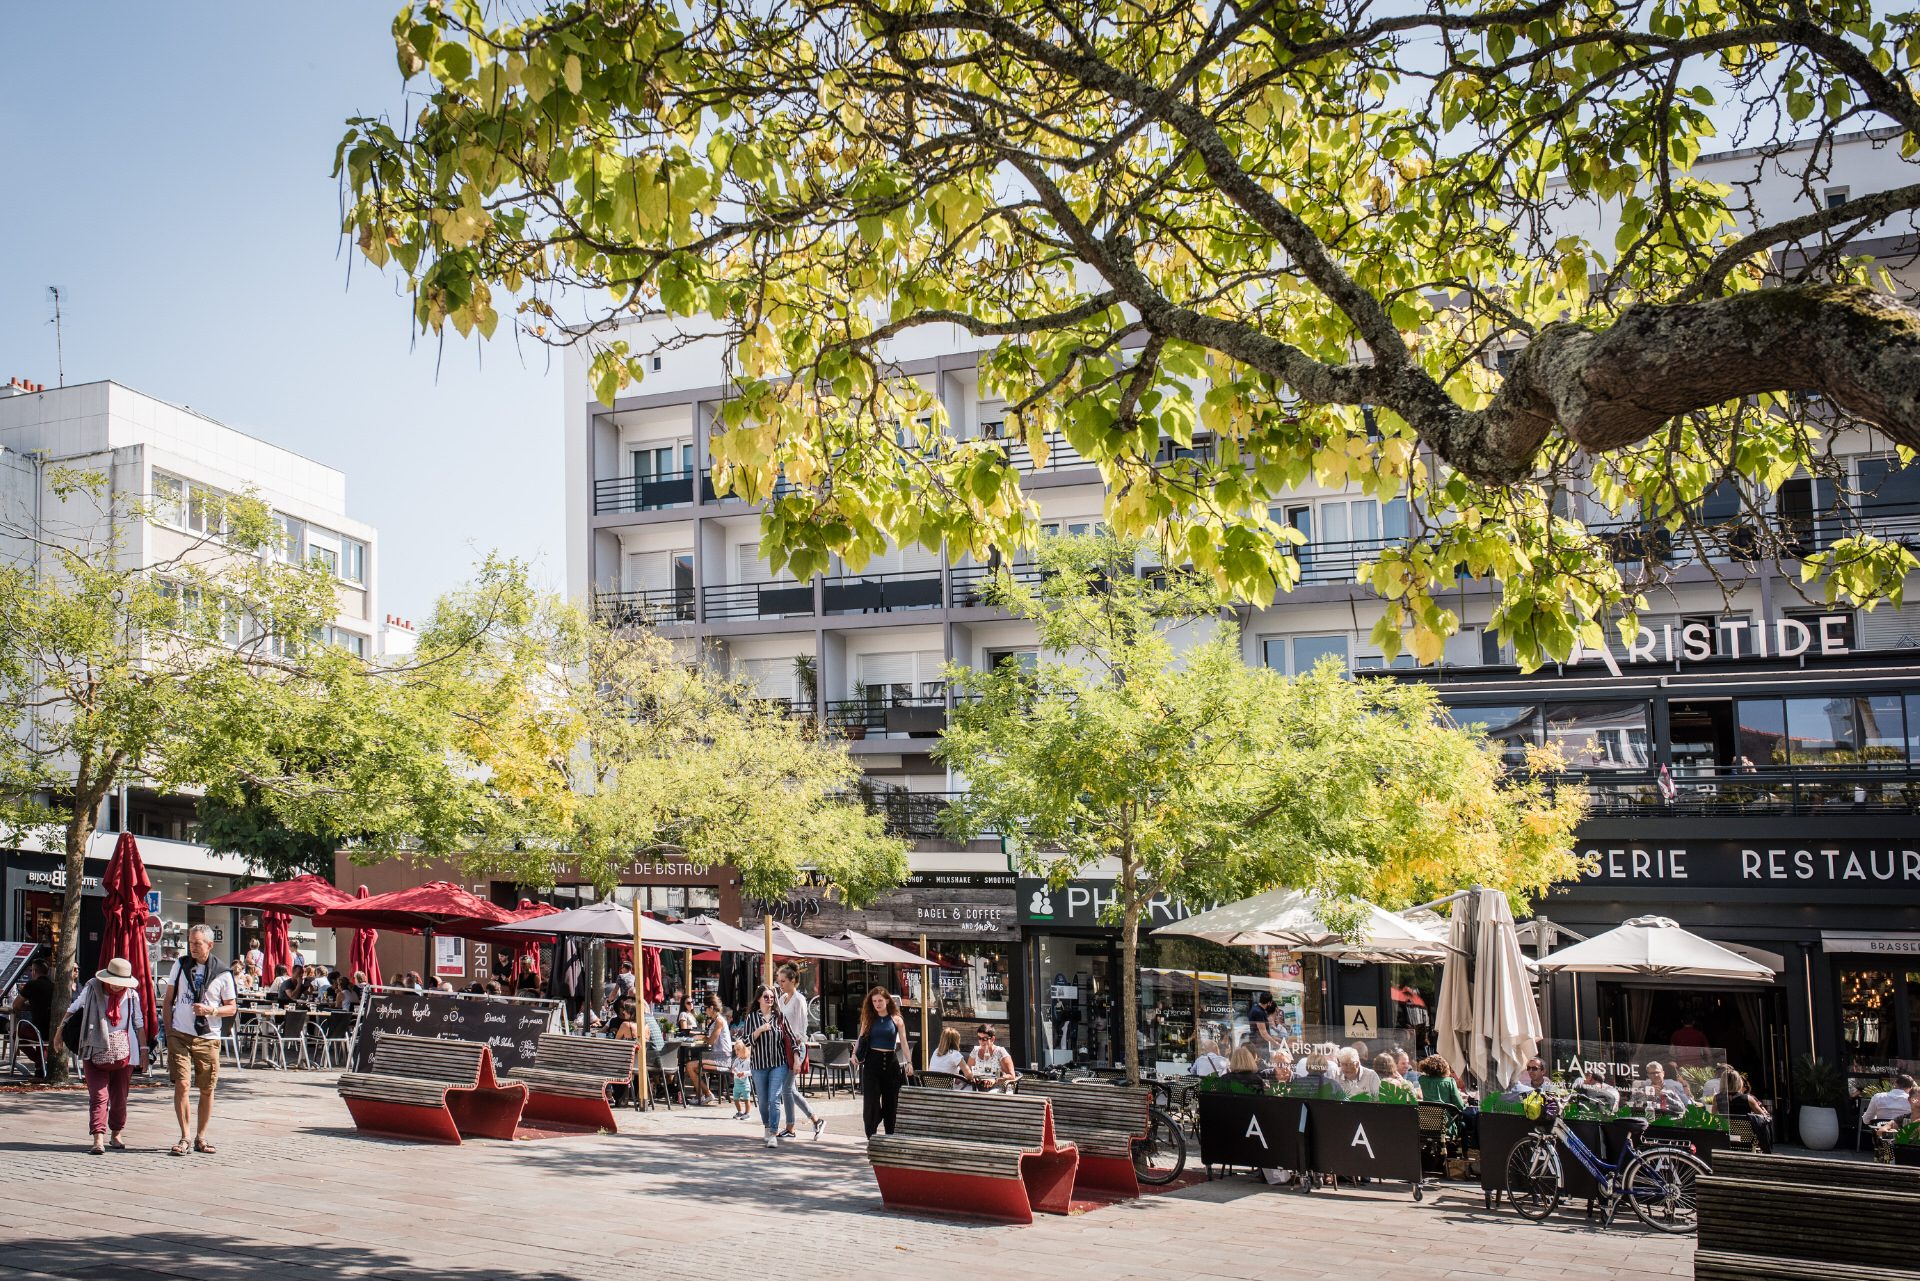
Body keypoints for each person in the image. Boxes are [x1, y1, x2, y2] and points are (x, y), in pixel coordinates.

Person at [53, 957, 146, 1155]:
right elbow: (72, 1009)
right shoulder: (92, 990)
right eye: (113, 981)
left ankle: (117, 1132)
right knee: (98, 1096)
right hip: (93, 1047)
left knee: (120, 1097)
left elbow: (138, 1024)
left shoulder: (131, 996)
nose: (115, 986)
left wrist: (144, 1051)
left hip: (124, 1053)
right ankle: (98, 1137)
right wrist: (58, 1033)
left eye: (120, 983)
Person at [159, 924, 237, 1157]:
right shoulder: (180, 965)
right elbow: (168, 1000)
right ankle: (184, 1136)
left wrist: (211, 1011)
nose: (192, 947)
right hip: (180, 1034)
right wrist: (169, 1029)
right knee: (182, 1084)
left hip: (207, 1037)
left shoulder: (223, 973)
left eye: (197, 943)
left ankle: (200, 1137)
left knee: (206, 1088)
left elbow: (231, 1008)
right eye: (190, 942)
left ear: (210, 945)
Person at [773, 963, 825, 1141]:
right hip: (784, 1046)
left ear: (793, 980)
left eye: (783, 981)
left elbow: (802, 1028)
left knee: (787, 1089)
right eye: (779, 981)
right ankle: (815, 1120)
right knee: (789, 1089)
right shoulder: (782, 998)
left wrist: (797, 1054)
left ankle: (791, 1127)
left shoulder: (799, 999)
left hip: (796, 1046)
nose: (780, 984)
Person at [737, 986, 791, 1148]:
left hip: (778, 1064)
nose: (769, 999)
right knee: (762, 1102)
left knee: (774, 1099)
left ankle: (773, 1133)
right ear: (759, 999)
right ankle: (767, 1126)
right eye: (766, 997)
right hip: (759, 1065)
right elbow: (745, 1041)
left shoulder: (780, 1017)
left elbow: (789, 1038)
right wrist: (759, 1031)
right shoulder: (752, 1018)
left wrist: (795, 1057)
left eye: (772, 997)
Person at [856, 986, 909, 1137]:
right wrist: (854, 1055)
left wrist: (909, 1062)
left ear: (887, 1000)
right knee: (871, 1102)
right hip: (872, 1063)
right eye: (874, 1001)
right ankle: (871, 1135)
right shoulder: (869, 1019)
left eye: (880, 1000)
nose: (877, 1004)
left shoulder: (896, 1019)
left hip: (891, 1063)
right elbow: (860, 1039)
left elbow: (904, 1043)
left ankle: (889, 1135)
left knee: (891, 1102)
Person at [683, 993, 731, 1105]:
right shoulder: (717, 1020)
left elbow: (711, 1041)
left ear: (711, 1008)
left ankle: (706, 1094)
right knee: (693, 1066)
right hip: (718, 1056)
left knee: (690, 1066)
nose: (704, 1010)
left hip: (722, 1059)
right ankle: (702, 1095)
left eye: (705, 1008)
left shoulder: (719, 1021)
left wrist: (701, 1037)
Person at [11, 959, 54, 1073]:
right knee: (41, 1042)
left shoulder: (32, 984)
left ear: (34, 971)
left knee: (17, 1035)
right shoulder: (53, 985)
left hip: (38, 1029)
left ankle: (39, 1062)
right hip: (53, 1029)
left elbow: (16, 1005)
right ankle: (41, 1066)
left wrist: (26, 1003)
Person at [1719, 1069, 1774, 1154]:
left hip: (1725, 1138)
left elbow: (1714, 1116)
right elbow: (1763, 1117)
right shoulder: (1748, 1098)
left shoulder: (1717, 1098)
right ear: (1738, 1082)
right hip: (1746, 1140)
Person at [963, 1025, 1018, 1093]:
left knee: (989, 1095)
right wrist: (975, 1078)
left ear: (992, 1039)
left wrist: (994, 1079)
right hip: (978, 1086)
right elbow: (968, 1072)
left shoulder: (1000, 1052)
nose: (981, 1041)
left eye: (985, 1039)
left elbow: (1011, 1076)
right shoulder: (975, 1050)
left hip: (999, 1087)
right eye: (979, 1038)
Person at [729, 1037, 754, 1120]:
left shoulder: (748, 1061)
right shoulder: (737, 1059)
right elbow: (733, 1067)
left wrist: (744, 1073)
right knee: (736, 1098)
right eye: (736, 1050)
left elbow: (752, 1071)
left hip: (744, 1083)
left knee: (746, 1098)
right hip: (736, 1083)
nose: (736, 1052)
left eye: (738, 1050)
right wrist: (734, 1070)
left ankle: (747, 1113)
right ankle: (739, 1111)